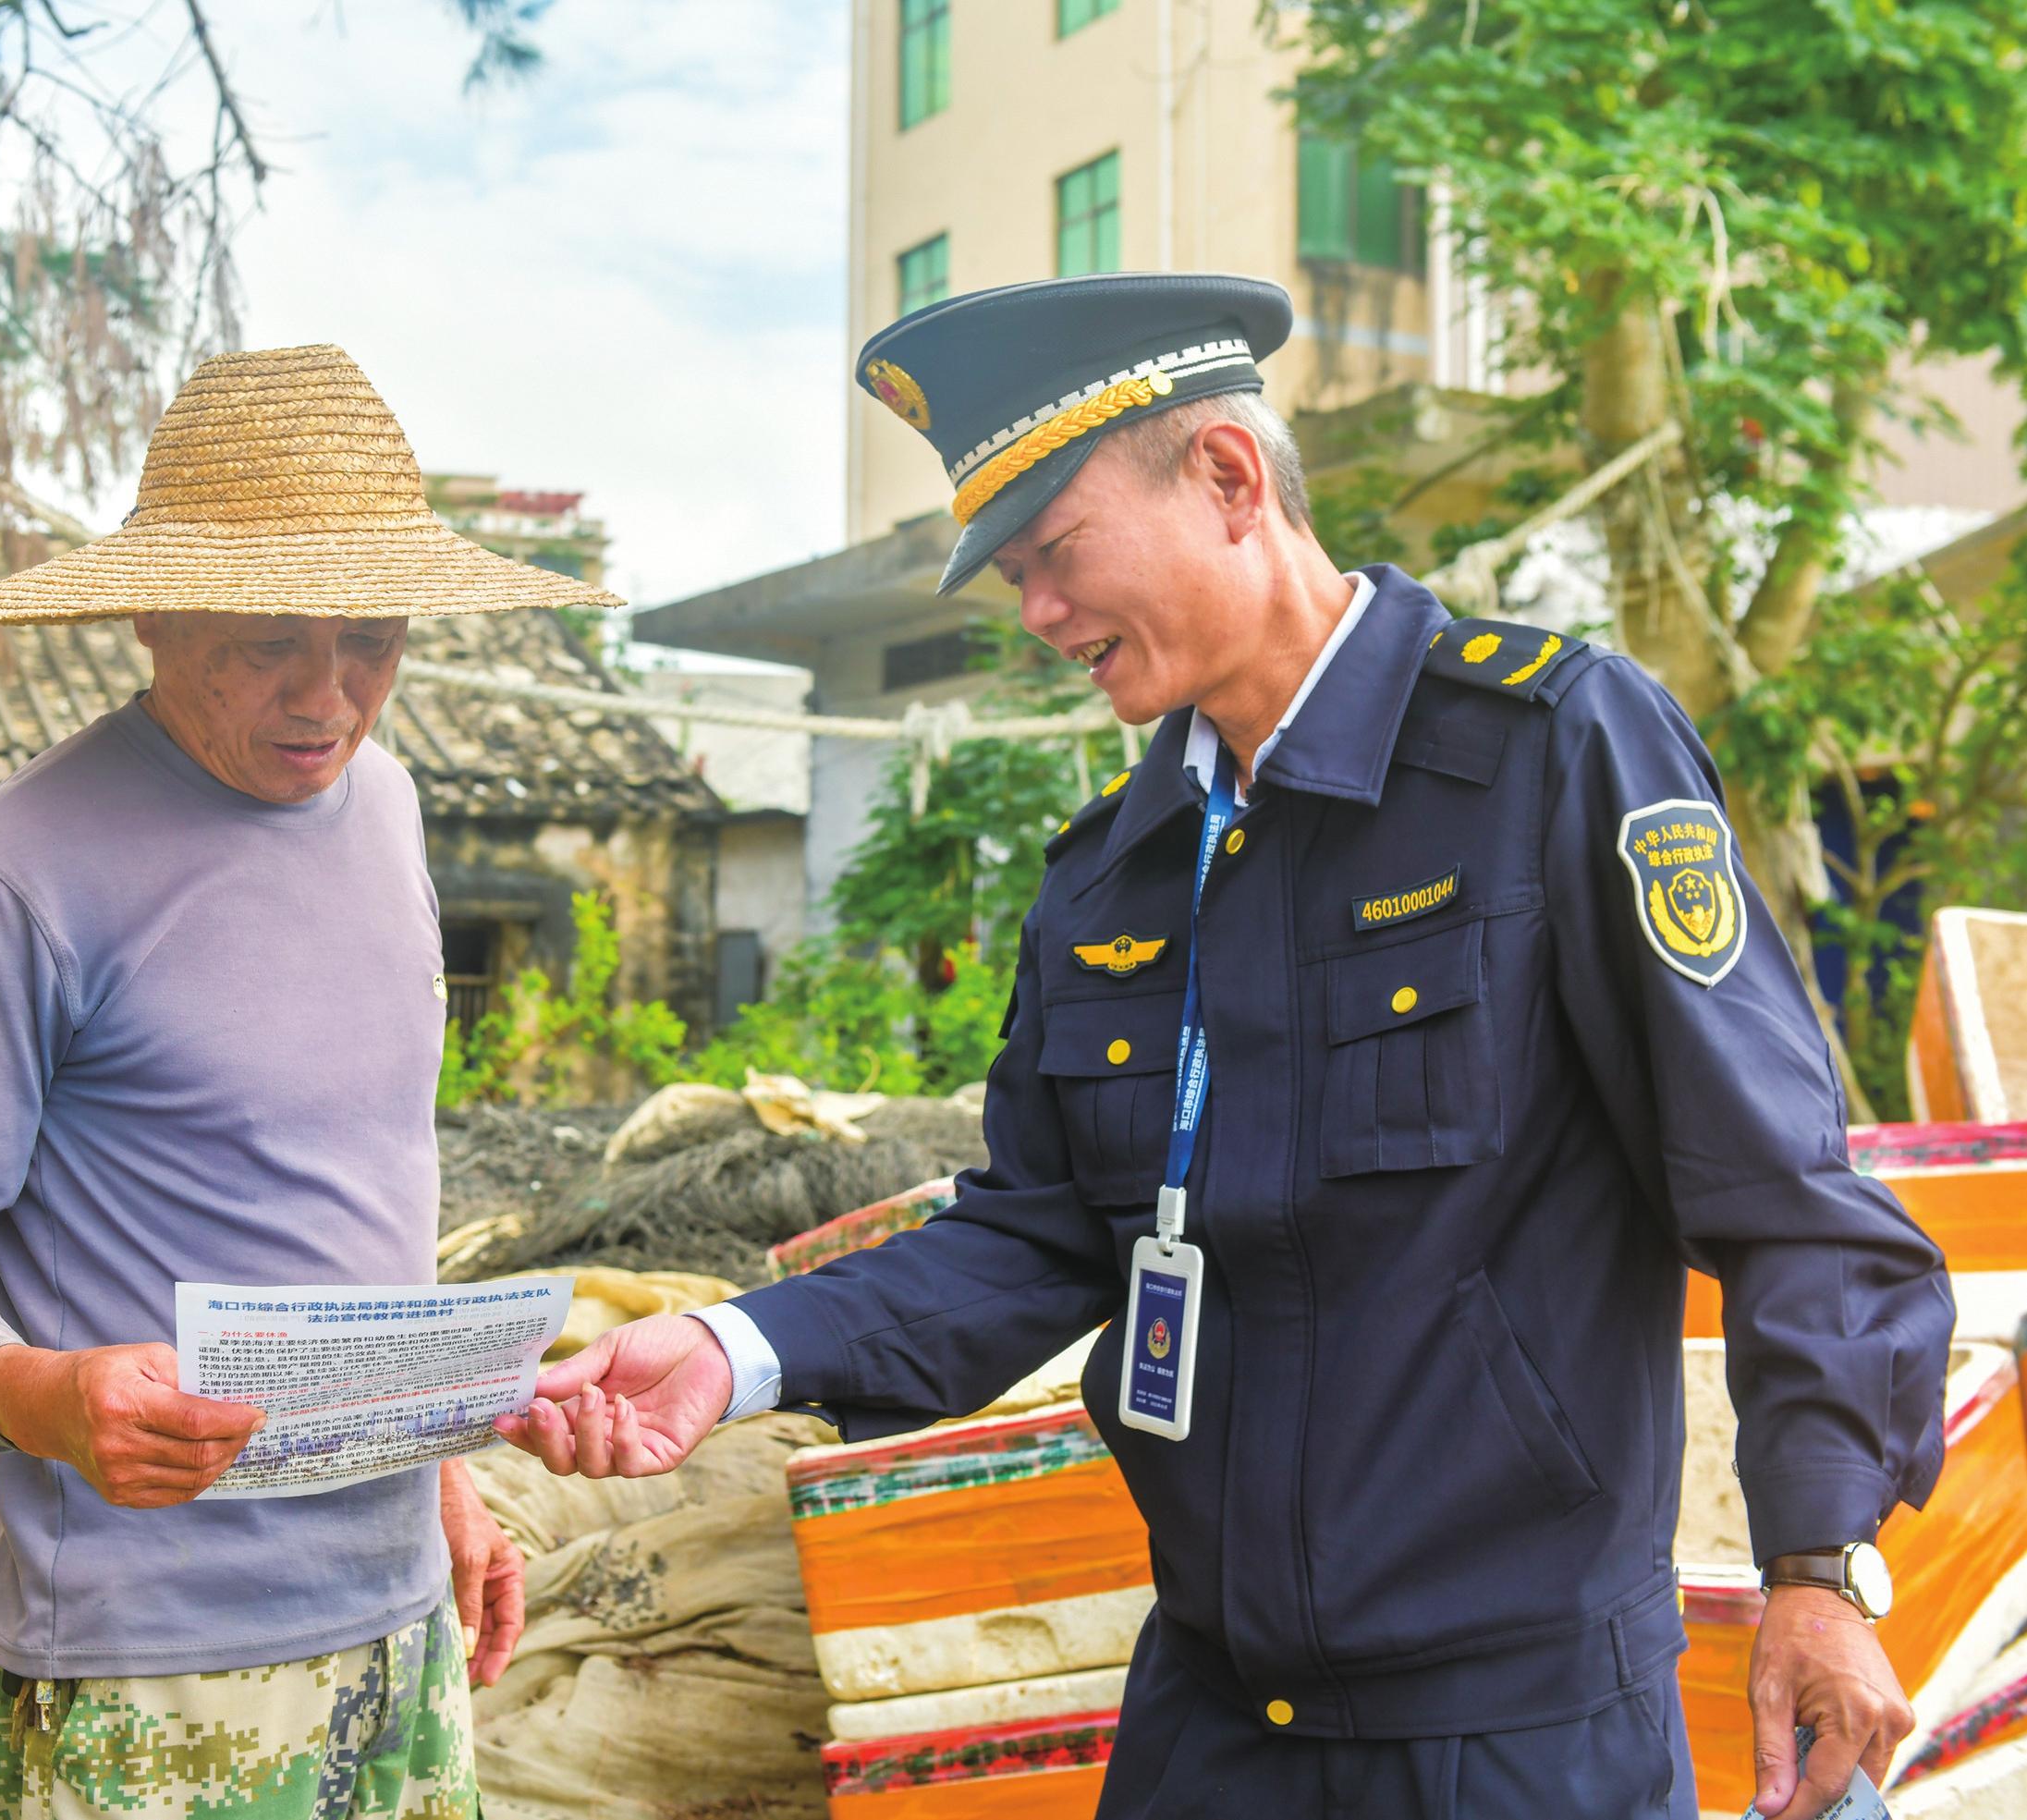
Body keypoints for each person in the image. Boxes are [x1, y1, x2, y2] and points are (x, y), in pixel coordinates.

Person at [497, 275, 1954, 1820]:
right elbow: (1035, 1233)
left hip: (1513, 1736)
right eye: (1011, 575)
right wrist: (732, 1348)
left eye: (1055, 551)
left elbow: (1782, 1192)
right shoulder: (1110, 872)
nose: (1035, 612)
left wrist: (1817, 1569)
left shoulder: (1548, 753)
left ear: (1228, 476)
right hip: (1210, 1719)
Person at [0, 343, 618, 1820]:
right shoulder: (11, 875)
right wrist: (46, 1394)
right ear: (153, 612)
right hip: (155, 1667)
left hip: (400, 1612)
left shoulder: (386, 807)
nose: (330, 694)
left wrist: (436, 1475)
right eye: (267, 642)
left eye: (371, 637)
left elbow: (351, 1191)